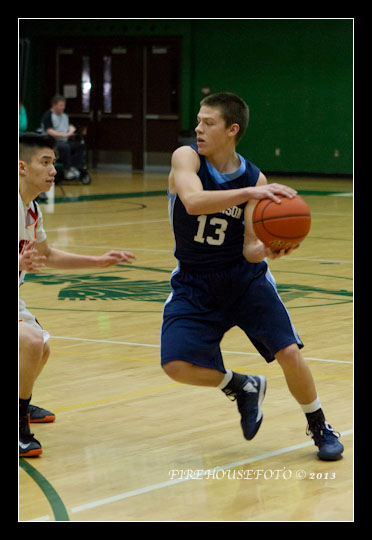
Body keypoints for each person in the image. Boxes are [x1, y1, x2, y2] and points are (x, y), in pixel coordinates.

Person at [160, 92, 343, 461]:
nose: (198, 128)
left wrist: (271, 248)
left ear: (232, 129)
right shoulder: (188, 158)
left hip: (245, 279)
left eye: (207, 123)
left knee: (289, 352)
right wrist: (251, 192)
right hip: (195, 280)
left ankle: (319, 424)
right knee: (175, 365)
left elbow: (249, 247)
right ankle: (241, 386)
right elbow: (193, 202)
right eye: (198, 120)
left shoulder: (251, 175)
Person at [19, 132, 136, 457]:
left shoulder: (31, 210)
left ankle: (21, 403)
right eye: (45, 162)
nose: (53, 169)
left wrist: (98, 261)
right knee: (29, 343)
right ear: (22, 167)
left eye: (54, 162)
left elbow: (49, 256)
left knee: (40, 348)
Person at [41, 95, 85, 179]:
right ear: (54, 105)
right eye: (61, 105)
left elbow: (70, 126)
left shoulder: (65, 116)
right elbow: (49, 130)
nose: (63, 107)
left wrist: (71, 130)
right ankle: (67, 170)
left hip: (65, 140)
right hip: (53, 141)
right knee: (65, 147)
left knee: (79, 145)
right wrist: (63, 135)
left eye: (64, 105)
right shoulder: (48, 115)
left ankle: (76, 167)